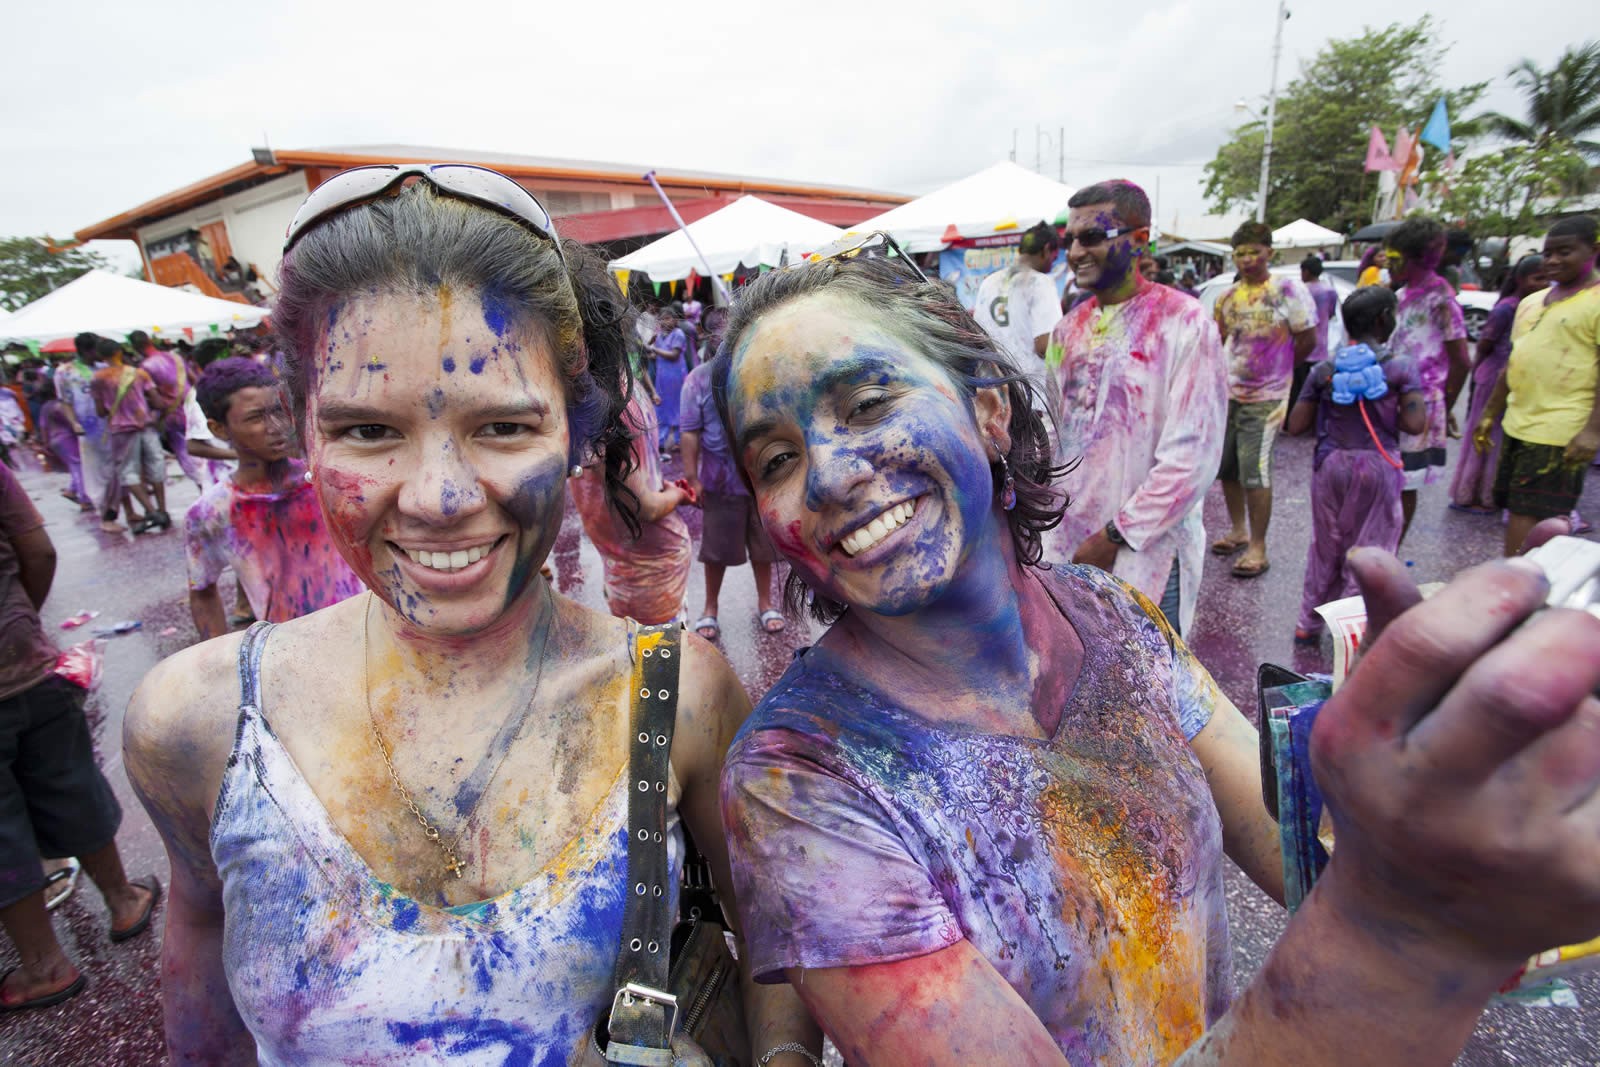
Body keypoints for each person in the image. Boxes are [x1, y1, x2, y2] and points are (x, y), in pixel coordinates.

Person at [712, 237, 1600, 1066]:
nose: (827, 475)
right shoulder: (798, 780)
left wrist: (1436, 786)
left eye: (867, 404)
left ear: (988, 411)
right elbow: (1373, 911)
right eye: (779, 459)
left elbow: (1300, 849)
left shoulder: (1109, 612)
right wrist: (1397, 924)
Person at [124, 167, 818, 1063]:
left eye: (503, 428)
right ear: (304, 429)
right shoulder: (201, 722)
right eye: (369, 431)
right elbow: (201, 959)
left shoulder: (678, 699)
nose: (441, 497)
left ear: (576, 428)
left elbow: (773, 948)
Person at [0, 463, 161, 1013]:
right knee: (70, 779)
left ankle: (44, 965)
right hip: (25, 658)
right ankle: (123, 899)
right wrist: (17, 615)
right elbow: (39, 552)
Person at [1044, 179, 1227, 636]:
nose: (1076, 252)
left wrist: (1114, 537)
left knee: (1152, 685)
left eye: (1091, 238)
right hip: (1069, 551)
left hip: (1147, 554)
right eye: (1070, 241)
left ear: (1139, 239)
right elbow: (1051, 436)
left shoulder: (1185, 323)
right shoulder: (1067, 331)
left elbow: (1192, 460)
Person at [184, 357, 364, 640]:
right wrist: (219, 662)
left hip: (367, 637)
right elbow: (203, 592)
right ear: (218, 429)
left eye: (278, 410)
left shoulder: (328, 479)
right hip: (287, 654)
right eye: (255, 418)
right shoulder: (211, 513)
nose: (276, 426)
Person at [1287, 287, 1425, 644]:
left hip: (1330, 464)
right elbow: (1414, 424)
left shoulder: (1324, 370)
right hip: (1378, 467)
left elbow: (1296, 424)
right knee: (1371, 548)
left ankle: (1308, 623)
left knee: (1325, 546)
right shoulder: (1399, 366)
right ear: (1384, 319)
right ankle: (1351, 630)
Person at [1476, 214, 1600, 556]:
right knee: (1513, 504)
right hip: (1519, 422)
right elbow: (1514, 361)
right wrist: (1490, 413)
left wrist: (1592, 431)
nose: (1553, 261)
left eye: (1565, 252)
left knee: (1531, 513)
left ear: (1594, 250)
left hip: (1560, 429)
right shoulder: (1531, 302)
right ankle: (1518, 573)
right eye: (1548, 253)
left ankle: (1518, 583)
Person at [1211, 221, 1316, 578]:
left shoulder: (1287, 289)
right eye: (1240, 253)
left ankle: (1258, 546)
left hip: (1267, 397)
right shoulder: (1227, 297)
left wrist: (1279, 370)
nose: (1247, 259)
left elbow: (1307, 339)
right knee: (1227, 467)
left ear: (1269, 252)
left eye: (1254, 251)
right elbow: (1218, 340)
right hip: (1228, 393)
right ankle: (1238, 530)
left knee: (1255, 469)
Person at [569, 381, 693, 625]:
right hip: (649, 579)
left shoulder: (582, 396)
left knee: (646, 652)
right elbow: (644, 506)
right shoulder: (613, 403)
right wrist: (678, 496)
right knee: (658, 658)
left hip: (636, 572)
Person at [680, 356, 784, 641]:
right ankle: (710, 608)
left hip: (763, 480)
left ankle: (766, 603)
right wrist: (692, 478)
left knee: (764, 548)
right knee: (716, 551)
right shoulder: (697, 380)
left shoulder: (762, 368)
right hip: (720, 482)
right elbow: (689, 432)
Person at [1385, 217, 1469, 540]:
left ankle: (1392, 547)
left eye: (1394, 259)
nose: (1387, 265)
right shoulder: (1402, 293)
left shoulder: (1441, 300)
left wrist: (1443, 405)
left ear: (1417, 258)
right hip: (1391, 397)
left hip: (1421, 402)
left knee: (1406, 481)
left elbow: (1462, 360)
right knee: (1389, 475)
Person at [1450, 255, 1547, 513]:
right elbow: (1485, 345)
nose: (1543, 284)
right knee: (1486, 434)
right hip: (1494, 375)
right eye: (1538, 278)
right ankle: (1473, 493)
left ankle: (1493, 492)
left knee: (1502, 436)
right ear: (1520, 279)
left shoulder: (1537, 307)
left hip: (1519, 376)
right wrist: (1475, 377)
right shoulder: (1507, 308)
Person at [971, 222, 1063, 421]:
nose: (1052, 264)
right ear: (1047, 249)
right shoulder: (1040, 283)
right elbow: (1044, 345)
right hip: (1031, 396)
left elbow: (978, 337)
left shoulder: (989, 282)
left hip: (996, 393)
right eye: (1054, 258)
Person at [88, 337, 167, 535]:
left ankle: (150, 511)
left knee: (128, 472)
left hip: (121, 431)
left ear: (101, 356)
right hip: (146, 426)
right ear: (119, 352)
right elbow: (157, 401)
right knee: (156, 465)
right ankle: (162, 509)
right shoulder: (139, 373)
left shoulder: (98, 378)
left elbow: (100, 411)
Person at [129, 330, 205, 488]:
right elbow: (194, 380)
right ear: (150, 340)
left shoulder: (145, 367)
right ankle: (210, 489)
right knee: (205, 451)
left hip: (172, 416)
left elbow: (154, 399)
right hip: (193, 409)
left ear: (135, 347)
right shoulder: (175, 357)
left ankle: (204, 489)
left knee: (187, 455)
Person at [34, 379, 93, 511]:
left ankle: (72, 490)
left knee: (74, 466)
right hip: (67, 438)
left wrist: (45, 443)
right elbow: (71, 423)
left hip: (55, 440)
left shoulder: (45, 407)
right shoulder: (60, 406)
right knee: (78, 466)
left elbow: (43, 427)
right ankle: (85, 499)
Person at [1296, 255, 1339, 410]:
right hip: (1321, 347)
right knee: (1318, 389)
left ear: (1306, 272)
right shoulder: (1330, 291)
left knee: (1299, 390)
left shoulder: (1300, 291)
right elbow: (1331, 314)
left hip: (1302, 347)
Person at [647, 305, 690, 455]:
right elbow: (656, 354)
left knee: (678, 407)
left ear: (675, 320)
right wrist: (649, 350)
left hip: (676, 377)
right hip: (662, 378)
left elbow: (674, 355)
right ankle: (661, 441)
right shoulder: (659, 336)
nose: (665, 322)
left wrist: (654, 350)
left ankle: (678, 441)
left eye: (668, 318)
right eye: (662, 319)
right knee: (662, 407)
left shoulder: (678, 334)